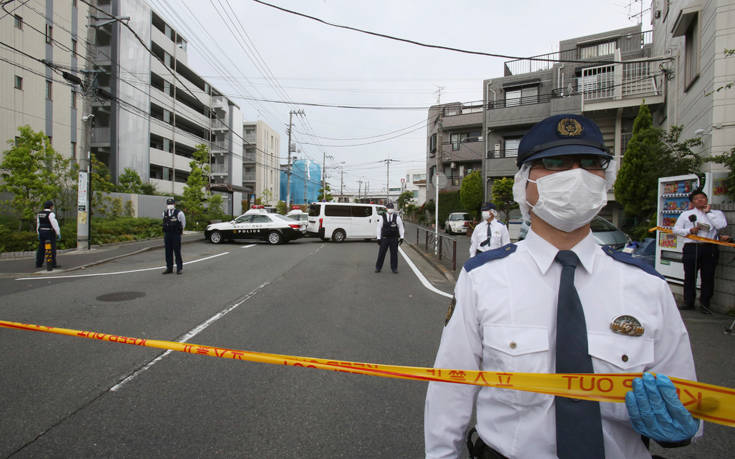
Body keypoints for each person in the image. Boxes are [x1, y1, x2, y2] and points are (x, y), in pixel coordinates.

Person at [425, 114, 700, 458]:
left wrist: (681, 424)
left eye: (590, 164)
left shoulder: (647, 286)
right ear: (524, 183)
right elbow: (451, 390)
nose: (575, 175)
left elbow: (687, 401)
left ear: (605, 179)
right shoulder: (483, 279)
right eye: (554, 163)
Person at [672, 190, 728, 314]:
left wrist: (708, 213)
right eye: (697, 199)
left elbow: (721, 225)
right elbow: (675, 230)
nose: (700, 200)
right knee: (690, 275)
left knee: (708, 276)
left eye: (703, 198)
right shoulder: (686, 214)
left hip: (710, 247)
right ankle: (688, 301)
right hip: (691, 247)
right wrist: (689, 230)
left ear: (707, 199)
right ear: (692, 202)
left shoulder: (716, 213)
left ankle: (705, 303)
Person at [375, 202, 404, 273]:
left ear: (393, 209)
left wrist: (402, 237)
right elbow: (379, 227)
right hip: (384, 238)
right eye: (389, 208)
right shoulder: (382, 217)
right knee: (381, 253)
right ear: (386, 209)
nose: (390, 209)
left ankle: (394, 268)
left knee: (394, 254)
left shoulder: (397, 217)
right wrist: (378, 238)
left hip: (394, 239)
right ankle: (378, 267)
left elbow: (401, 227)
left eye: (391, 208)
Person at [162, 197, 186, 274]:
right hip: (167, 234)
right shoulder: (164, 212)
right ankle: (169, 268)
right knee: (168, 252)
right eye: (169, 204)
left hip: (176, 234)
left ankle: (179, 268)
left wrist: (180, 231)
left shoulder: (179, 213)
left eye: (171, 204)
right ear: (166, 204)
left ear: (174, 204)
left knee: (177, 251)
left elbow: (183, 223)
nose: (170, 205)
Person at [35, 200, 61, 270]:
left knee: (41, 248)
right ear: (51, 206)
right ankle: (52, 264)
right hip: (49, 232)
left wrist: (38, 233)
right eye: (52, 206)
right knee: (52, 248)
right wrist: (58, 233)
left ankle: (38, 263)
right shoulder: (51, 214)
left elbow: (38, 223)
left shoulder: (39, 214)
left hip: (41, 232)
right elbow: (54, 224)